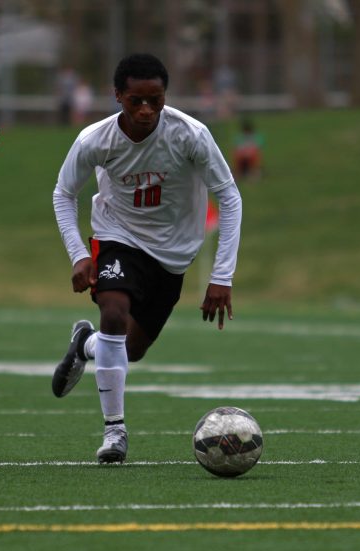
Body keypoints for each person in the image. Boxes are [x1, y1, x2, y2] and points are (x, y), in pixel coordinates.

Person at [50, 53, 242, 464]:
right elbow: (64, 193)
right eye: (136, 99)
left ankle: (84, 345)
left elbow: (229, 196)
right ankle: (114, 432)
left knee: (131, 348)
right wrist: (79, 255)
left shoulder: (190, 135)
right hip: (117, 236)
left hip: (173, 255)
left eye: (154, 100)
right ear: (117, 95)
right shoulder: (94, 140)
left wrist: (221, 275)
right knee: (114, 313)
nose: (145, 109)